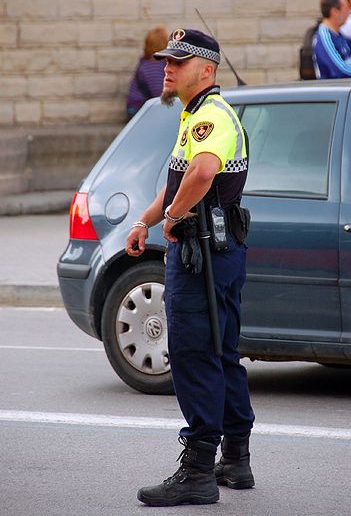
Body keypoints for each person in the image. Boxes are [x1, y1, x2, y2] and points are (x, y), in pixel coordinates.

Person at [126, 28, 255, 507]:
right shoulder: (197, 114)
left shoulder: (211, 117)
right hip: (217, 251)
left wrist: (175, 219)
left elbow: (201, 172)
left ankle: (198, 470)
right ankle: (236, 459)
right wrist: (147, 220)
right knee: (221, 351)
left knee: (191, 353)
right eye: (166, 60)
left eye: (178, 62)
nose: (167, 67)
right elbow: (180, 175)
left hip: (202, 253)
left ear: (206, 69)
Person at [126, 26, 168, 118]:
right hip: (138, 109)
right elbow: (159, 94)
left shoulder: (148, 63)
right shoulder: (151, 66)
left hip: (144, 106)